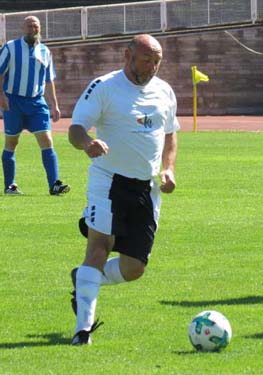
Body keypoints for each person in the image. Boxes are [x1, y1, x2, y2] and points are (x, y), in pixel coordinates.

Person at [68, 34, 179, 345]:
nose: (153, 66)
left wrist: (168, 169)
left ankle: (84, 278)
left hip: (146, 187)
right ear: (127, 55)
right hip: (108, 180)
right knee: (99, 249)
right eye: (147, 59)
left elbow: (170, 135)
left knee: (134, 268)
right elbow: (76, 128)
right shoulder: (104, 87)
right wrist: (87, 144)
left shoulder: (164, 92)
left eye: (157, 61)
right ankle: (82, 330)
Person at [0, 15, 70, 195]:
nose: (33, 29)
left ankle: (54, 185)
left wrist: (54, 105)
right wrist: (1, 96)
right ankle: (10, 185)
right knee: (11, 142)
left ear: (40, 29)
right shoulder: (10, 48)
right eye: (30, 26)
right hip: (14, 101)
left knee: (47, 140)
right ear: (23, 29)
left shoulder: (45, 51)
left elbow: (48, 81)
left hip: (37, 103)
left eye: (36, 26)